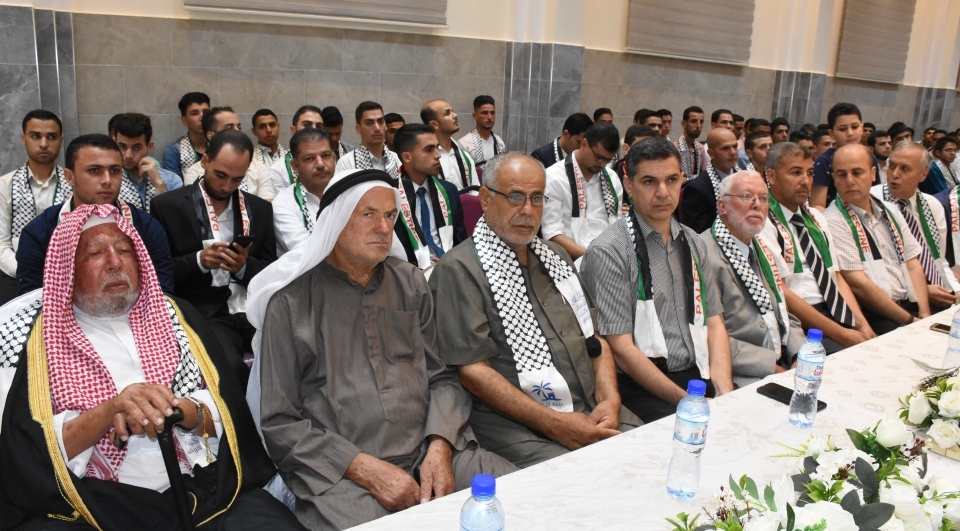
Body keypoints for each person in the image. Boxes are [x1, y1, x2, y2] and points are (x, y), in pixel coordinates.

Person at [0, 204, 305, 531]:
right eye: (96, 253)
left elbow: (229, 414)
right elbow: (24, 454)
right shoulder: (29, 340)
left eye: (124, 250)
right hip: (92, 503)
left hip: (201, 489)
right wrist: (111, 412)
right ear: (66, 269)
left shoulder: (178, 317)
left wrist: (179, 410)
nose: (115, 263)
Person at [247, 168, 516, 530]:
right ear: (336, 221)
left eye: (390, 215)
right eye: (369, 214)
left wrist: (440, 444)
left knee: (519, 501)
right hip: (342, 473)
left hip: (432, 449)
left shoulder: (410, 282)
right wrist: (364, 469)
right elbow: (280, 420)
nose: (384, 227)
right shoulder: (291, 303)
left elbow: (442, 377)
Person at [428, 153, 640, 467]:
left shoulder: (557, 257)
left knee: (650, 455)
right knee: (589, 477)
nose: (528, 210)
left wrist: (610, 399)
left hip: (591, 406)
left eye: (537, 198)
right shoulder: (459, 270)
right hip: (523, 427)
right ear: (485, 199)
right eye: (515, 197)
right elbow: (474, 372)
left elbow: (594, 339)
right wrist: (555, 424)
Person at [580, 138, 733, 424]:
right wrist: (688, 402)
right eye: (649, 182)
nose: (663, 192)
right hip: (640, 384)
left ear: (682, 180)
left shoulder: (694, 242)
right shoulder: (610, 250)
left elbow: (714, 323)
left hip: (697, 374)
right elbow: (622, 350)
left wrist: (724, 392)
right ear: (629, 185)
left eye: (671, 180)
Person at [150, 130, 276, 387]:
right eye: (220, 175)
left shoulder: (259, 208)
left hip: (253, 306)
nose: (227, 186)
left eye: (237, 179)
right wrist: (198, 261)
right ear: (205, 160)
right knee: (228, 367)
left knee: (290, 358)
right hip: (205, 309)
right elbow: (158, 275)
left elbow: (272, 270)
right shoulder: (168, 206)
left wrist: (243, 267)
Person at [16, 134, 174, 295]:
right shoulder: (39, 233)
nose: (107, 180)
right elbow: (34, 301)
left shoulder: (146, 227)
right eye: (94, 170)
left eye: (114, 171)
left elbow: (162, 293)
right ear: (69, 177)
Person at [759, 142, 873, 354]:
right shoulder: (762, 222)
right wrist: (842, 334)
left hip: (837, 309)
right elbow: (781, 291)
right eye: (795, 172)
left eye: (810, 173)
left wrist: (862, 324)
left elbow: (836, 277)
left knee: (875, 344)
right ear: (771, 176)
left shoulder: (816, 217)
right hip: (799, 320)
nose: (805, 181)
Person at [702, 171, 804, 386]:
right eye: (747, 197)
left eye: (763, 198)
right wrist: (773, 369)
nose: (757, 204)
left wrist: (798, 355)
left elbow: (782, 312)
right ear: (722, 206)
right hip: (742, 373)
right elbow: (707, 335)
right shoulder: (703, 255)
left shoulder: (760, 248)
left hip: (784, 360)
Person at [824, 144, 930, 334]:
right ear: (834, 179)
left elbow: (912, 263)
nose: (850, 180)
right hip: (876, 315)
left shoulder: (891, 210)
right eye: (842, 174)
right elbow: (858, 284)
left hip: (910, 304)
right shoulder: (832, 220)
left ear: (873, 174)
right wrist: (910, 320)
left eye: (857, 172)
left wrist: (925, 312)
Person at [872, 141, 960, 310]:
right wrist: (920, 290)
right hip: (896, 297)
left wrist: (956, 290)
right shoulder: (872, 201)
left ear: (923, 175)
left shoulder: (932, 205)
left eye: (905, 169)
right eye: (892, 166)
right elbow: (876, 268)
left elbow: (937, 259)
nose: (895, 174)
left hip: (938, 288)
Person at [0, 110, 68, 304]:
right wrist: (27, 271)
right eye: (35, 136)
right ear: (24, 139)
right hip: (16, 276)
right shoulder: (5, 185)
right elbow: (1, 243)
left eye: (51, 137)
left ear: (61, 140)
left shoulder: (74, 184)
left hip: (67, 276)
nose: (44, 143)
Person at [542, 122, 623, 261]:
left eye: (608, 160)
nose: (603, 164)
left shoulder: (612, 178)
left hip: (608, 258)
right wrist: (592, 258)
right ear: (584, 143)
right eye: (599, 157)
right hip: (567, 260)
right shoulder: (553, 177)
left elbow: (617, 224)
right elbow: (552, 233)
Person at [393, 124, 466, 269]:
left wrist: (451, 263)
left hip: (449, 269)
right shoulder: (390, 194)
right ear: (407, 157)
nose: (438, 155)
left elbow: (461, 243)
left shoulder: (449, 191)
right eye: (429, 149)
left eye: (437, 148)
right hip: (408, 273)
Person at [182, 107, 275, 201]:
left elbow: (267, 204)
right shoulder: (195, 172)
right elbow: (197, 205)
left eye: (239, 127)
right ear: (211, 136)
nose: (237, 131)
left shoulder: (258, 167)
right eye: (229, 128)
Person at [273, 128, 336, 256]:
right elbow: (305, 251)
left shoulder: (351, 192)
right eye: (309, 159)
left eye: (325, 156)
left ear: (334, 158)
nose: (320, 164)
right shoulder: (283, 203)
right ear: (295, 166)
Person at [110, 113, 182, 212]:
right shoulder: (108, 180)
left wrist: (159, 185)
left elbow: (175, 219)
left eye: (136, 147)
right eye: (122, 146)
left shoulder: (172, 180)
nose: (128, 155)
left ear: (149, 146)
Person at [812, 103, 879, 209]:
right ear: (832, 134)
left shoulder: (870, 158)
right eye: (843, 129)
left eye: (855, 127)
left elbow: (876, 195)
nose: (850, 133)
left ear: (862, 128)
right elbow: (817, 205)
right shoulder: (823, 162)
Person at [678, 126, 740, 233]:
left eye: (735, 146)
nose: (733, 152)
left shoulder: (745, 179)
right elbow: (698, 233)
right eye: (725, 148)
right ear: (711, 153)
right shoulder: (697, 189)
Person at [420, 99, 478, 188]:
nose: (455, 115)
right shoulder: (424, 159)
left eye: (452, 111)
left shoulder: (465, 156)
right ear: (434, 124)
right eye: (447, 113)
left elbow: (475, 191)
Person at [335, 101, 403, 178]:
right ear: (358, 128)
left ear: (385, 126)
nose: (377, 128)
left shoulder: (395, 158)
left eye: (380, 122)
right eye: (369, 123)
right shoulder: (347, 162)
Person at [266, 105, 324, 193]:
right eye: (307, 125)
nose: (313, 130)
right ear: (293, 130)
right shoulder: (278, 170)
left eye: (319, 126)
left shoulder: (331, 162)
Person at [161, 92, 210, 180]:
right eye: (195, 113)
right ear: (184, 120)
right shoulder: (173, 152)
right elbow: (175, 186)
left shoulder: (220, 145)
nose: (202, 117)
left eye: (206, 112)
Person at [459, 95, 505, 168]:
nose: (489, 117)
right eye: (485, 113)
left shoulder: (499, 143)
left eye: (492, 113)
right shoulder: (464, 144)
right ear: (474, 116)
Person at [674, 106, 709, 183]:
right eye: (694, 121)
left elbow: (706, 172)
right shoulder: (674, 149)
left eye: (701, 122)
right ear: (684, 124)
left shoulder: (700, 148)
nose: (698, 126)